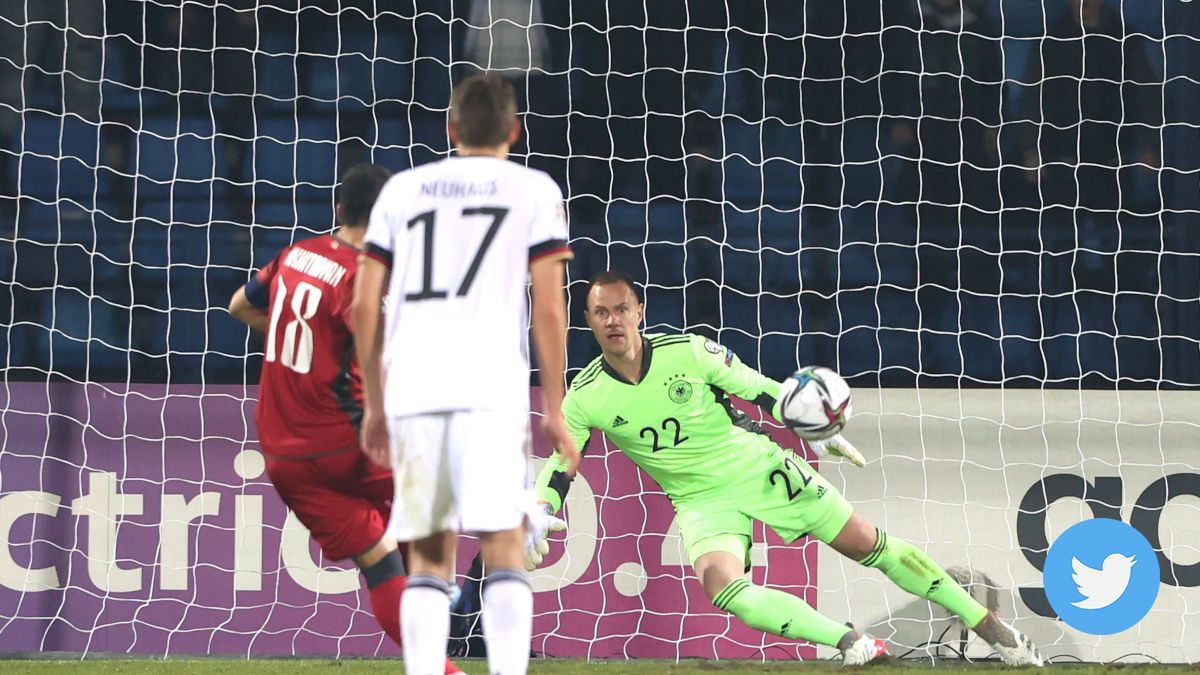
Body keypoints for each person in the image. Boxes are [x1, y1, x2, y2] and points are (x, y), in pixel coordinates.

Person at [530, 270, 1044, 666]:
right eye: (602, 313)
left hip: (756, 465)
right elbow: (561, 464)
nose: (613, 321)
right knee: (723, 588)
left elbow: (760, 389)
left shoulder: (689, 351)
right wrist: (542, 506)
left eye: (621, 309)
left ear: (639, 311)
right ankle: (851, 641)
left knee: (867, 543)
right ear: (588, 320)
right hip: (698, 500)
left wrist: (815, 426)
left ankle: (992, 628)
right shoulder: (586, 395)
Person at [351, 73, 581, 675]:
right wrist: (555, 407)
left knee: (429, 556)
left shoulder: (401, 191)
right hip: (489, 391)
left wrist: (375, 404)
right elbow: (549, 308)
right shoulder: (534, 190)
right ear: (514, 130)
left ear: (451, 128)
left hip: (415, 390)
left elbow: (362, 307)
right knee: (503, 543)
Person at [227, 164, 460, 675]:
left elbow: (240, 305)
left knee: (381, 560)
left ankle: (442, 651)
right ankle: (444, 591)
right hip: (348, 445)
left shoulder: (294, 255)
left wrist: (309, 343)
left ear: (339, 210)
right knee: (438, 492)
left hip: (284, 456)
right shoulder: (364, 278)